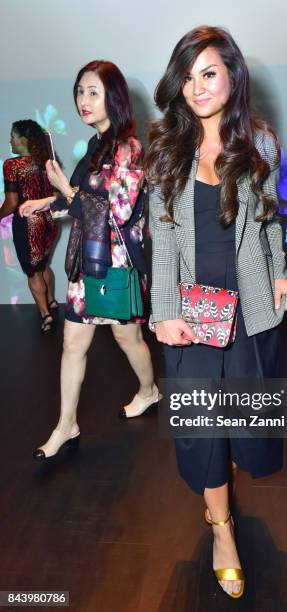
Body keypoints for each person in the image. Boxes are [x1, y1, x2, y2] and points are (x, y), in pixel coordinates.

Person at [146, 26, 287, 599]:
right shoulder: (167, 149)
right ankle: (222, 527)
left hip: (248, 308)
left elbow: (268, 220)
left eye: (208, 73)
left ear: (232, 75)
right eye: (187, 77)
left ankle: (225, 486)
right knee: (200, 429)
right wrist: (163, 311)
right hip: (189, 312)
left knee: (242, 417)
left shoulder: (261, 143)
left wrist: (280, 272)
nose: (197, 87)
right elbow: (161, 242)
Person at [20, 60, 160, 460]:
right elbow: (81, 198)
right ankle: (66, 424)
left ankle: (149, 390)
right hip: (86, 262)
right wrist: (46, 201)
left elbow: (118, 207)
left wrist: (66, 188)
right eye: (80, 91)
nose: (83, 100)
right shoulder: (94, 147)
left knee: (127, 337)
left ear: (112, 99)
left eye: (93, 92)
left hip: (118, 264)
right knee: (72, 342)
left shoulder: (129, 148)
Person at [0, 120, 59, 331]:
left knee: (33, 271)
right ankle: (52, 300)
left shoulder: (12, 165)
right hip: (50, 220)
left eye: (13, 136)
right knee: (43, 264)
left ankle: (46, 315)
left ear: (23, 140)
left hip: (27, 225)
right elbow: (55, 194)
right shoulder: (47, 161)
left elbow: (12, 203)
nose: (10, 141)